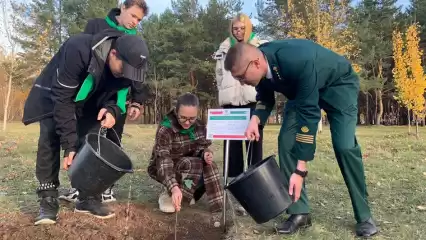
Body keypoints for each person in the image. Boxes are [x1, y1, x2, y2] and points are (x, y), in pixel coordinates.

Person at [223, 40, 379, 237]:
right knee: (286, 141)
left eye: (242, 77)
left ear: (255, 63)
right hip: (303, 92)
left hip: (338, 86)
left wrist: (300, 168)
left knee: (345, 147)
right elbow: (265, 96)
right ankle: (299, 212)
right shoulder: (260, 64)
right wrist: (256, 118)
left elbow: (310, 114)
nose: (241, 82)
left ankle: (364, 216)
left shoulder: (297, 61)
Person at [22, 29, 149, 225]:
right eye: (124, 69)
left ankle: (87, 198)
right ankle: (48, 200)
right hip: (56, 96)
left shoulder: (127, 68)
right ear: (113, 53)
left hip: (90, 101)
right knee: (50, 136)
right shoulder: (79, 49)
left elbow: (120, 96)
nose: (126, 75)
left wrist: (112, 110)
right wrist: (69, 145)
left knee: (94, 138)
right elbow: (62, 100)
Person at [59, 0, 149, 203]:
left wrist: (137, 101)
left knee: (113, 139)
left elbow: (136, 74)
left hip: (118, 98)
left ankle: (106, 187)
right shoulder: (96, 26)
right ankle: (79, 186)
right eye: (133, 16)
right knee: (87, 137)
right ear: (122, 7)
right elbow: (88, 59)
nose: (135, 22)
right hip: (94, 94)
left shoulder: (135, 39)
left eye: (139, 20)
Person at [147, 93, 231, 228]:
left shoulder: (200, 125)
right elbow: (163, 161)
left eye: (191, 119)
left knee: (210, 166)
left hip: (191, 168)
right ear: (176, 111)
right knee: (194, 163)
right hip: (168, 167)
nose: (187, 122)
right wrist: (174, 188)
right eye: (183, 118)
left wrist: (206, 153)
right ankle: (173, 194)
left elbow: (204, 147)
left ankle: (217, 209)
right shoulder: (166, 128)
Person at [213, 13, 266, 216]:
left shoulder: (258, 46)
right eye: (235, 28)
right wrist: (224, 93)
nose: (238, 32)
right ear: (231, 30)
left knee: (253, 147)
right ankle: (235, 192)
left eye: (242, 28)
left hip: (253, 103)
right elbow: (219, 74)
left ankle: (254, 190)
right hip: (231, 105)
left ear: (249, 28)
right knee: (232, 149)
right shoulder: (224, 48)